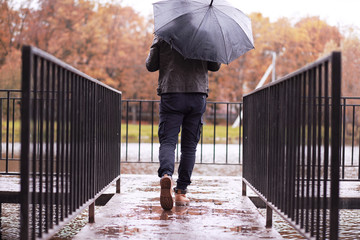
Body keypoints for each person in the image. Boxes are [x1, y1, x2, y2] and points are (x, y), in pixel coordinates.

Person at [146, 35, 221, 210]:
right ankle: (181, 192)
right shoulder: (205, 34)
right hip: (197, 94)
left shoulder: (164, 33)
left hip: (171, 92)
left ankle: (166, 174)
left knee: (168, 141)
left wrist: (156, 43)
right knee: (189, 147)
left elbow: (151, 66)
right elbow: (214, 66)